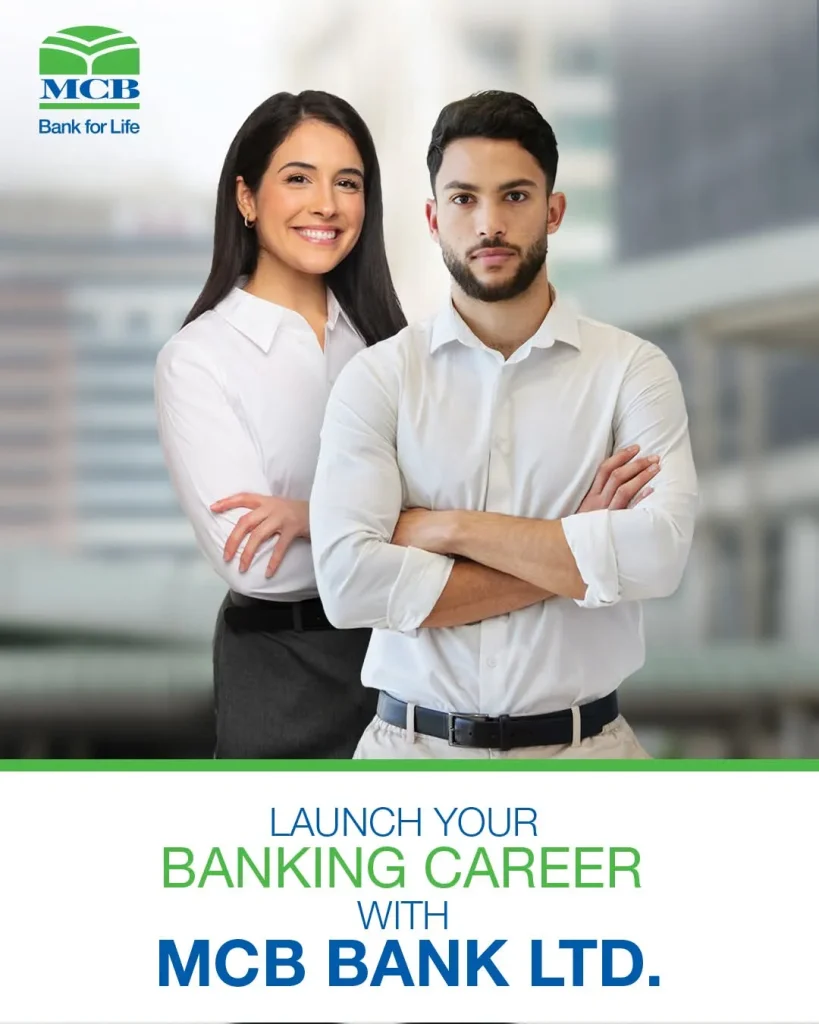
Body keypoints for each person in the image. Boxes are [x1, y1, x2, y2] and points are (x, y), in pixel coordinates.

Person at [309, 90, 699, 760]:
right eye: (463, 199)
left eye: (514, 196)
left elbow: (658, 554)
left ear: (554, 210)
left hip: (588, 761)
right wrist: (574, 547)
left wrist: (447, 528)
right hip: (410, 761)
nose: (489, 223)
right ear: (433, 217)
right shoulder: (378, 379)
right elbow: (347, 586)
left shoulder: (632, 371)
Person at [154, 90, 407, 758]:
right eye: (298, 178)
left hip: (415, 657)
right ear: (246, 198)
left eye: (347, 183)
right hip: (285, 669)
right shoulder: (198, 359)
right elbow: (258, 565)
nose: (326, 204)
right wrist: (417, 529)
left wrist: (310, 517)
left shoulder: (391, 348)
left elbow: (465, 501)